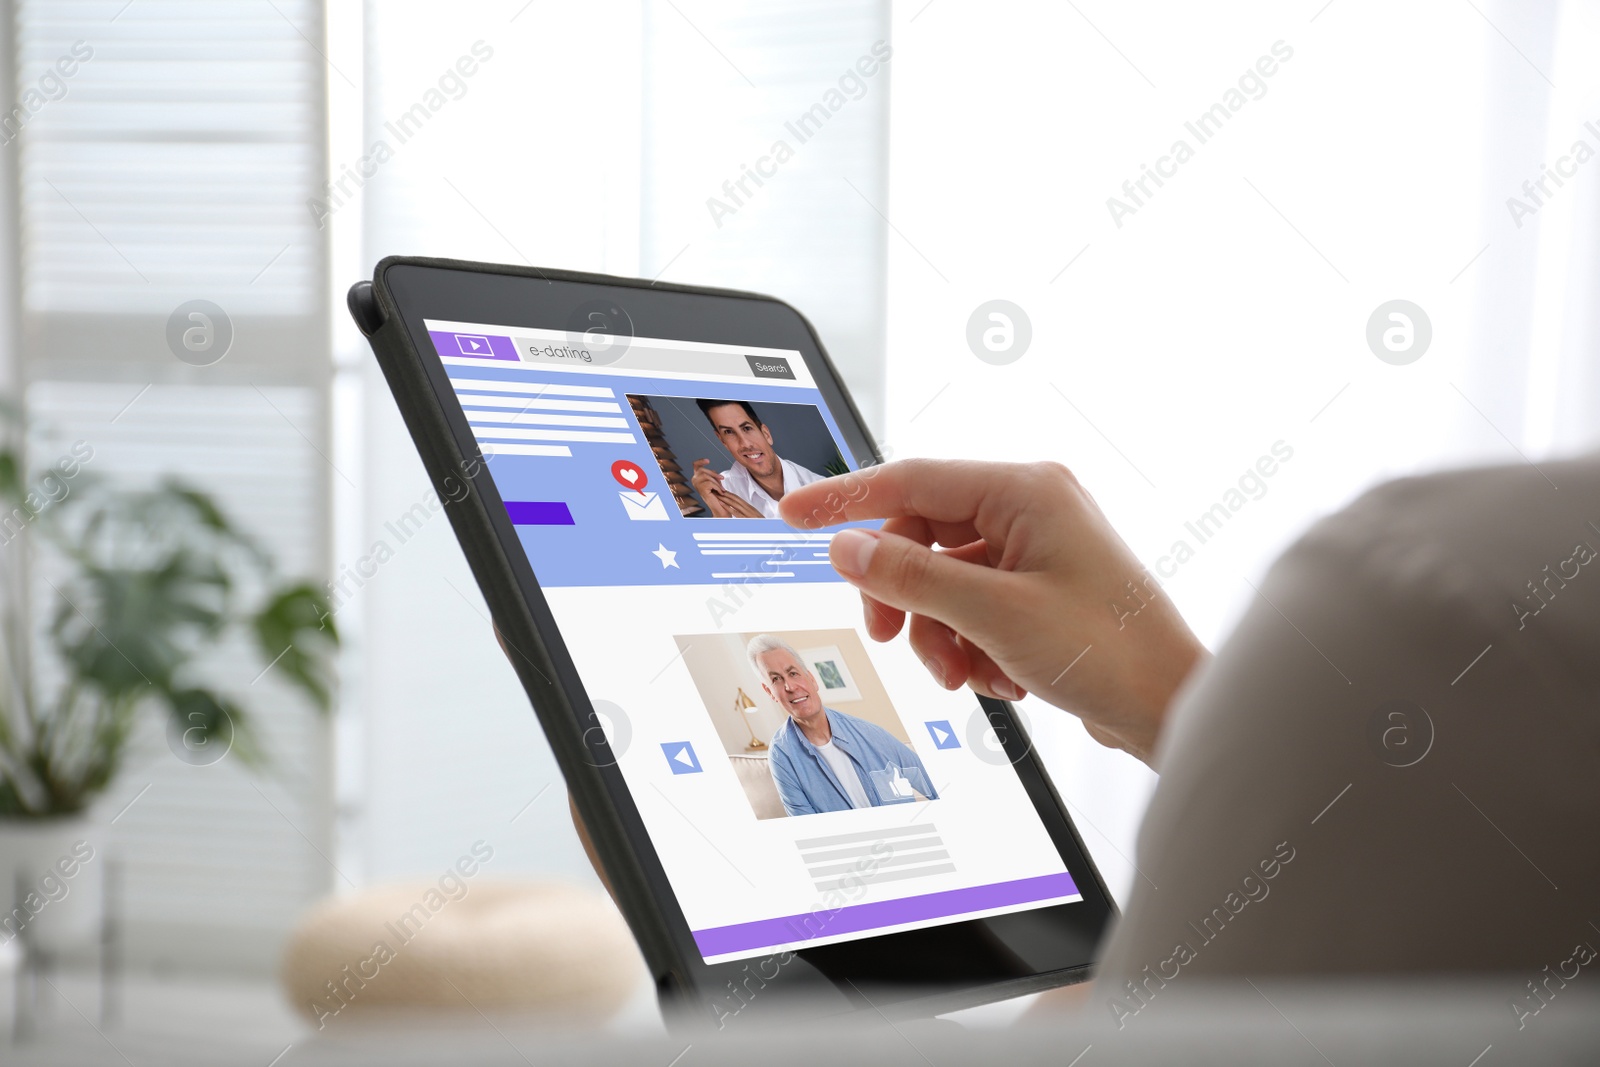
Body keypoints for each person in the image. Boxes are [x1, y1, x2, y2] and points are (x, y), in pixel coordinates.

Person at [776, 455, 1600, 998]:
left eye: (794, 669)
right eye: (775, 679)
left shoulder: (1420, 594)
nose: (791, 685)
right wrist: (1165, 696)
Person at [748, 633, 939, 816]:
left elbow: (934, 782)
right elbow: (807, 827)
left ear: (812, 679)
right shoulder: (781, 755)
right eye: (776, 679)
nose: (790, 687)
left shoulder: (868, 733)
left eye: (793, 673)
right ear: (769, 692)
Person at [690, 399, 825, 518]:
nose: (745, 444)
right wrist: (720, 517)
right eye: (729, 432)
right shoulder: (723, 489)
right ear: (722, 441)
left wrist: (763, 531)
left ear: (766, 434)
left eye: (747, 428)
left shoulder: (824, 491)